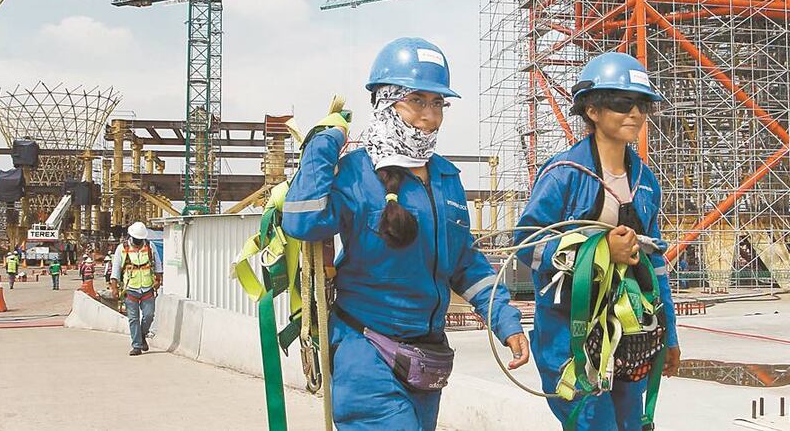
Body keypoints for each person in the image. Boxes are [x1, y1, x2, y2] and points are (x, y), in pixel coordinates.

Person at [282, 37, 529, 430]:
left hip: (425, 360)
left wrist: (505, 320)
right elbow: (302, 222)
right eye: (418, 101)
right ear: (385, 101)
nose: (430, 116)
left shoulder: (446, 178)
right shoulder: (356, 173)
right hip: (367, 355)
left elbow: (465, 264)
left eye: (438, 104)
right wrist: (322, 145)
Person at [514, 52, 681, 431]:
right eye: (623, 104)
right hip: (569, 335)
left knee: (631, 424)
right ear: (591, 109)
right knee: (592, 424)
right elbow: (527, 243)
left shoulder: (646, 183)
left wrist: (668, 335)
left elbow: (657, 266)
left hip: (629, 336)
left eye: (642, 105)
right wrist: (602, 250)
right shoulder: (563, 175)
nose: (635, 114)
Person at [110, 221, 163, 356]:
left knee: (149, 315)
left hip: (147, 287)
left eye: (141, 239)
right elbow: (115, 269)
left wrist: (158, 280)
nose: (139, 241)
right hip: (130, 289)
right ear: (131, 236)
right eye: (137, 239)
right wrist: (114, 288)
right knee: (133, 318)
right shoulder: (122, 249)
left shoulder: (150, 247)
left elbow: (157, 264)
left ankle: (142, 334)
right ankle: (137, 345)